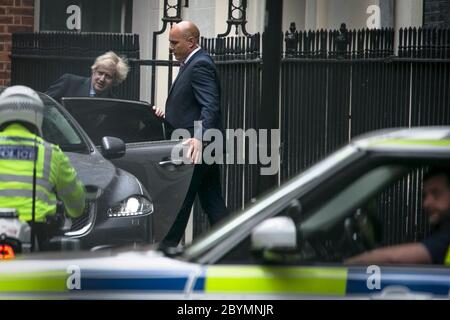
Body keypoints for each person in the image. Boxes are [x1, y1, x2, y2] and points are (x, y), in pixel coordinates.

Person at [154, 21, 229, 247]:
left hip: (196, 147)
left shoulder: (199, 65)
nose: (170, 47)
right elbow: (192, 108)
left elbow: (210, 106)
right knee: (212, 201)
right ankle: (234, 247)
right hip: (202, 145)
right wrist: (165, 116)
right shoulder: (192, 63)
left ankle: (165, 251)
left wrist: (199, 137)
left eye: (174, 42)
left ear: (191, 42)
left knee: (180, 200)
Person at [0, 85, 86, 246]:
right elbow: (75, 201)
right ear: (37, 116)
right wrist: (75, 208)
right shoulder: (51, 153)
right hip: (36, 235)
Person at [346, 166, 450, 265]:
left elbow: (391, 258)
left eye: (436, 193)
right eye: (424, 196)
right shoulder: (441, 230)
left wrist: (346, 264)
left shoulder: (446, 236)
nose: (426, 203)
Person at [45, 51, 129, 103]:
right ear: (93, 71)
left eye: (108, 76)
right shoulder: (69, 82)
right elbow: (44, 104)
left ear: (115, 80)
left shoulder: (113, 103)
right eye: (100, 73)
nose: (102, 79)